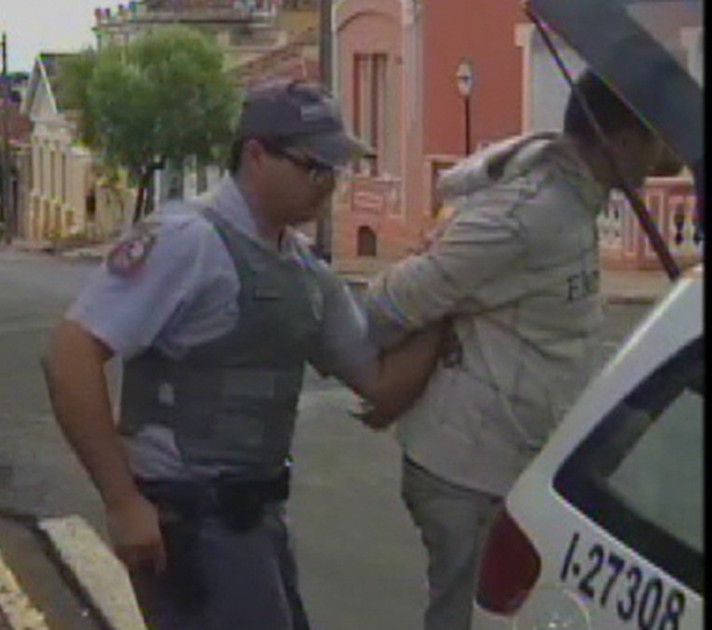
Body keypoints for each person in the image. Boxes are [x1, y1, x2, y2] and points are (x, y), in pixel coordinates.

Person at [42, 80, 444, 630]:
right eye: (314, 167)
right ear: (256, 155)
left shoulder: (305, 274)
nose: (328, 185)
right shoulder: (187, 241)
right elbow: (70, 355)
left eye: (335, 170)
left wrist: (448, 291)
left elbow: (379, 386)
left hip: (252, 518)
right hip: (187, 515)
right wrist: (122, 502)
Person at [361, 70, 666, 630]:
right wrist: (373, 373)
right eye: (654, 139)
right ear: (621, 142)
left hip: (512, 461)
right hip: (466, 469)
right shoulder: (532, 213)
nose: (661, 153)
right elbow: (394, 301)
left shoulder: (574, 204)